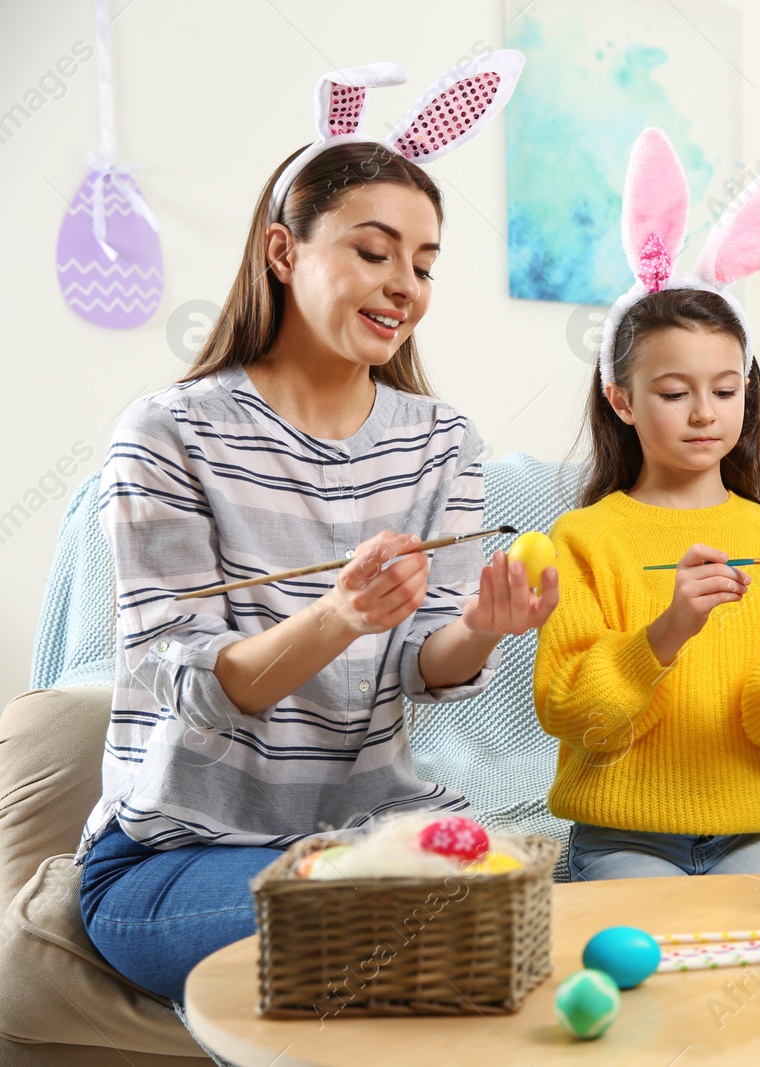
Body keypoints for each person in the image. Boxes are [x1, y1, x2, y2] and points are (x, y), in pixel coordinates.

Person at [76, 55, 554, 1002]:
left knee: (523, 911)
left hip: (366, 827)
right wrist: (336, 618)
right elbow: (200, 688)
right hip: (177, 850)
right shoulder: (169, 431)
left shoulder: (441, 441)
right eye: (373, 252)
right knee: (379, 937)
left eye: (423, 263)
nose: (403, 285)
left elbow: (428, 662)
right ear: (283, 252)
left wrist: (487, 628)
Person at [532, 129, 760, 881]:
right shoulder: (583, 539)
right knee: (651, 992)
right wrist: (668, 630)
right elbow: (575, 714)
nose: (704, 412)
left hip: (755, 831)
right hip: (624, 837)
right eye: (674, 393)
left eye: (724, 388)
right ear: (622, 400)